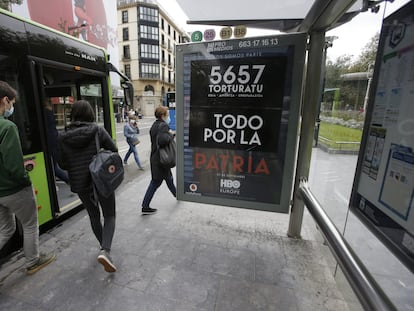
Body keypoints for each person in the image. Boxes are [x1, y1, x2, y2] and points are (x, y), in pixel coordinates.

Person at [0, 81, 56, 275]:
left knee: (5, 230)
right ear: (5, 100)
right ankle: (33, 261)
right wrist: (26, 181)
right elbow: (14, 166)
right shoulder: (7, 127)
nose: (11, 108)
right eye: (12, 103)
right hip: (14, 190)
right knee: (30, 224)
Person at [57, 100, 118, 273]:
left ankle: (102, 248)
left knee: (93, 215)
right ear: (90, 113)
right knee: (110, 215)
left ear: (73, 114)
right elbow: (113, 150)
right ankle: (105, 251)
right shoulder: (97, 130)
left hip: (80, 182)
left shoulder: (62, 136)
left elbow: (62, 163)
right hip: (101, 180)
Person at [141, 106, 176, 215]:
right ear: (162, 115)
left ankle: (177, 195)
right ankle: (145, 206)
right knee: (156, 182)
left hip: (156, 158)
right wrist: (171, 135)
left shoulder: (154, 125)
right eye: (167, 115)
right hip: (161, 160)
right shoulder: (164, 125)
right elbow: (163, 140)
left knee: (168, 178)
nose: (168, 117)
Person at [44, 99, 69, 184]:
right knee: (54, 166)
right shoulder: (49, 112)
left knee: (53, 167)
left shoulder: (45, 113)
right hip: (53, 141)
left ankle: (69, 180)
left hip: (50, 142)